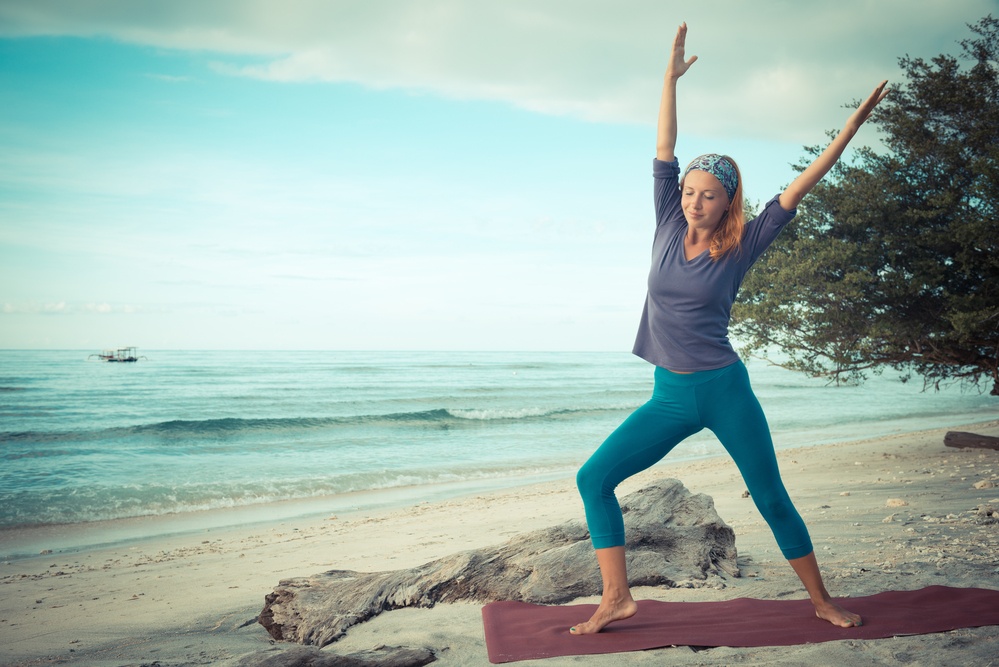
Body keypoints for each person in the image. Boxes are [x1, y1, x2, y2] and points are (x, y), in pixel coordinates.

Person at [570, 23, 889, 635]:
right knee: (594, 478)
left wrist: (848, 131)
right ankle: (616, 597)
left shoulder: (744, 242)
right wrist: (667, 80)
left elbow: (801, 186)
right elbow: (665, 143)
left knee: (770, 497)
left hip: (723, 389)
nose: (693, 201)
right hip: (669, 395)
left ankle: (821, 600)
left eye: (708, 195)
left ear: (728, 201)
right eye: (689, 191)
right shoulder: (665, 220)